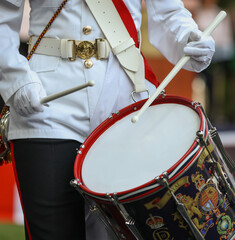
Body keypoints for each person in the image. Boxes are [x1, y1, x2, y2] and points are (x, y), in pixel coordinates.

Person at [0, 0, 215, 239]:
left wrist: (189, 38)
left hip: (126, 103)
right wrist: (14, 77)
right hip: (46, 104)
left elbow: (167, 14)